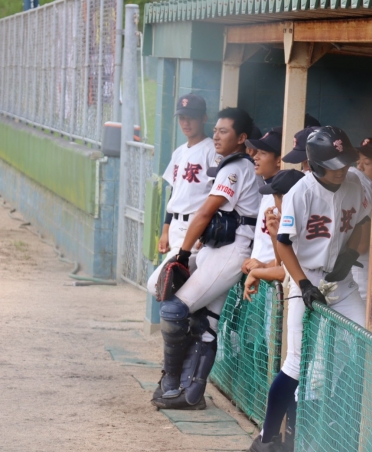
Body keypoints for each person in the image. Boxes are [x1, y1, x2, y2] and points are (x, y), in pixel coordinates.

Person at [249, 126, 370, 452]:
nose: (342, 169)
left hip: (341, 281)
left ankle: (334, 424)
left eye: (344, 162)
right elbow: (284, 244)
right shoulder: (301, 192)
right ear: (316, 164)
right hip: (306, 275)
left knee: (367, 344)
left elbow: (363, 221)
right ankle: (267, 439)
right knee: (296, 363)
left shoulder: (355, 182)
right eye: (334, 165)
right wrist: (302, 283)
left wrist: (350, 254)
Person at [151, 107, 262, 410]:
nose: (216, 136)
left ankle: (172, 382)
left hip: (231, 252)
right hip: (219, 248)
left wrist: (184, 253)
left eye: (224, 131)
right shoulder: (233, 164)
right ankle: (189, 393)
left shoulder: (236, 167)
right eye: (215, 130)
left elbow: (205, 212)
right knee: (204, 324)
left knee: (174, 310)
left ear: (241, 137)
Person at [146, 94, 215, 294]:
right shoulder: (179, 152)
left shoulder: (211, 150)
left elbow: (217, 197)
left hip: (194, 225)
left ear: (203, 118)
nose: (186, 123)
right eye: (182, 117)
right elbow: (174, 193)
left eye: (191, 117)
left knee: (160, 284)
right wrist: (165, 230)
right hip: (175, 226)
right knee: (172, 284)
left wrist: (206, 232)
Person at [244, 170, 306, 300]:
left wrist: (256, 273)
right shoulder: (294, 219)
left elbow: (284, 272)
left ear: (284, 198)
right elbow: (281, 263)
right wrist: (275, 235)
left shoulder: (300, 223)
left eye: (275, 197)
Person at [241, 127, 283, 276]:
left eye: (263, 153)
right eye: (257, 152)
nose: (255, 157)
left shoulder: (285, 195)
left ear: (279, 160)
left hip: (276, 278)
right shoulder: (267, 190)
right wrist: (254, 260)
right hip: (262, 274)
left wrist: (266, 266)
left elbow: (295, 250)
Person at [349, 137, 372, 302]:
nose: (359, 167)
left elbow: (362, 245)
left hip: (363, 273)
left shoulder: (364, 186)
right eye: (358, 162)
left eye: (367, 163)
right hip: (360, 270)